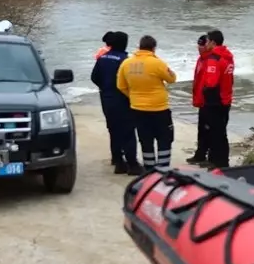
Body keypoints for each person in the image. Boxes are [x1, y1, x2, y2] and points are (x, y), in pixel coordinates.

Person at [117, 34, 177, 169]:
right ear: (153, 48)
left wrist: (133, 97)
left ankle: (149, 170)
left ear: (139, 47)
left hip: (138, 109)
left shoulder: (126, 64)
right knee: (164, 139)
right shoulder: (157, 63)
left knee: (146, 140)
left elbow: (121, 86)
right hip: (160, 109)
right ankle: (163, 169)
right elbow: (171, 79)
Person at [90, 31, 140, 175]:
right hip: (123, 100)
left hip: (107, 99)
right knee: (128, 132)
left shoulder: (102, 58)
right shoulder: (125, 60)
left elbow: (94, 77)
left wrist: (105, 88)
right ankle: (132, 164)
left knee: (113, 130)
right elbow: (131, 82)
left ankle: (118, 161)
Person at [198, 29, 234, 169]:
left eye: (207, 41)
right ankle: (218, 161)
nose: (205, 43)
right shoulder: (228, 56)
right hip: (226, 98)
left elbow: (211, 83)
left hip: (215, 101)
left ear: (212, 42)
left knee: (215, 133)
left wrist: (204, 90)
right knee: (220, 132)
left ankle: (219, 163)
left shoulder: (214, 58)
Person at [186, 34, 212, 165]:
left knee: (209, 129)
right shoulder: (201, 59)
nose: (199, 48)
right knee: (202, 128)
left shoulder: (211, 60)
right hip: (201, 98)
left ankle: (208, 156)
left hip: (209, 100)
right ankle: (200, 154)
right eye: (199, 45)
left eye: (202, 45)